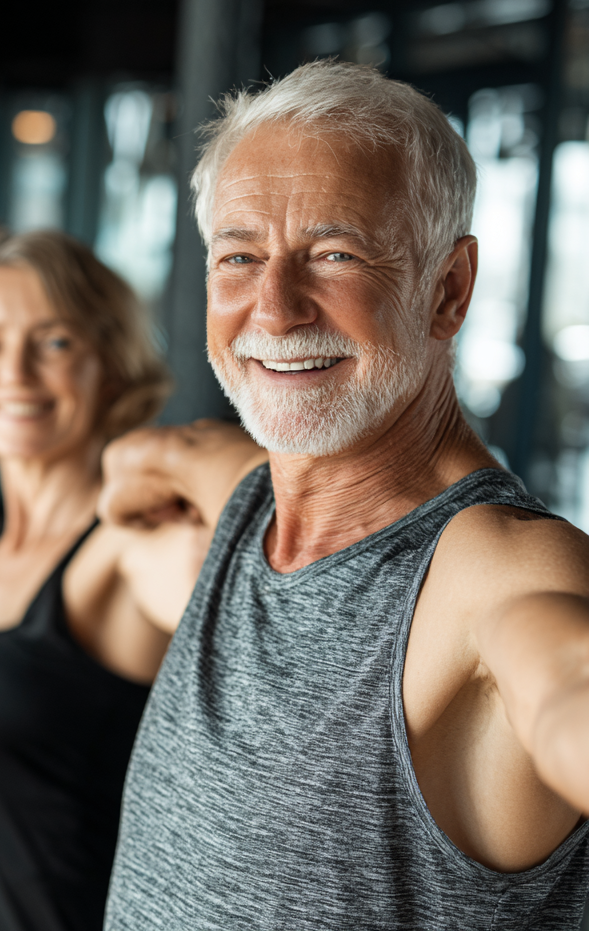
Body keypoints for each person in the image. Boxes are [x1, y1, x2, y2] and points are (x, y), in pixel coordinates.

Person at [93, 60, 589, 929]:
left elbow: (564, 680)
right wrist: (122, 479)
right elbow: (165, 454)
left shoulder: (492, 568)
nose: (275, 308)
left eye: (335, 254)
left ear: (448, 289)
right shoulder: (251, 499)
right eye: (240, 256)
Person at [0, 219, 264, 931]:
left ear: (113, 362)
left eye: (56, 342)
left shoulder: (128, 551)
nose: (13, 373)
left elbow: (280, 519)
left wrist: (170, 456)